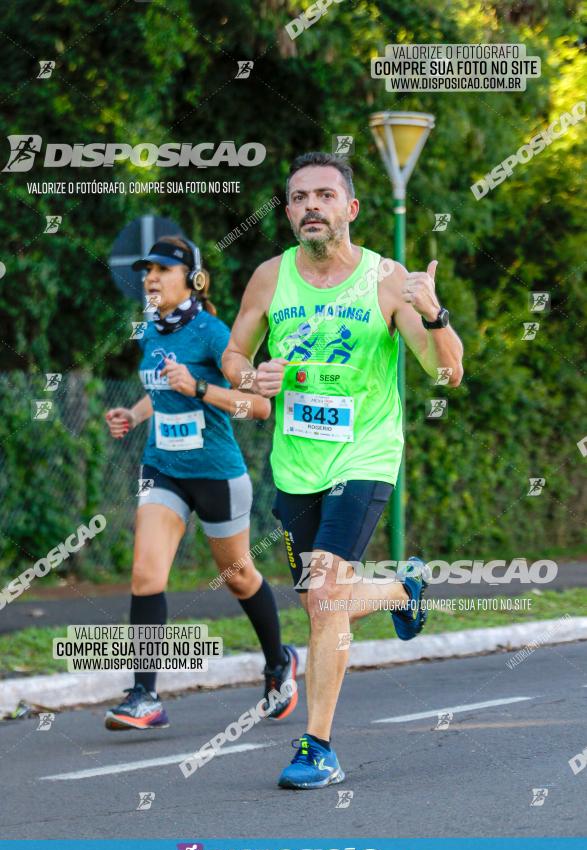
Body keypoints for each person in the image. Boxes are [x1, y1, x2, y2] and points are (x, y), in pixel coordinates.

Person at [222, 153, 464, 789]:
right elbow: (234, 355)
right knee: (317, 602)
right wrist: (252, 376)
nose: (310, 206)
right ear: (288, 210)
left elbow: (447, 373)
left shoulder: (388, 281)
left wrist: (435, 314)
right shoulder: (270, 278)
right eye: (299, 197)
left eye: (325, 195)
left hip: (365, 455)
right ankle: (402, 590)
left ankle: (318, 748)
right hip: (296, 464)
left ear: (350, 209)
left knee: (326, 596)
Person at [103, 235, 297, 730]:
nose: (150, 278)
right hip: (162, 468)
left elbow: (259, 406)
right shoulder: (150, 331)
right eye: (147, 270)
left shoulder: (214, 335)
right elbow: (161, 392)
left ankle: (279, 663)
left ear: (193, 279)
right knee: (146, 574)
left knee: (237, 576)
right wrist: (135, 412)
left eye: (163, 270)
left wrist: (200, 388)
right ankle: (144, 695)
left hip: (216, 472)